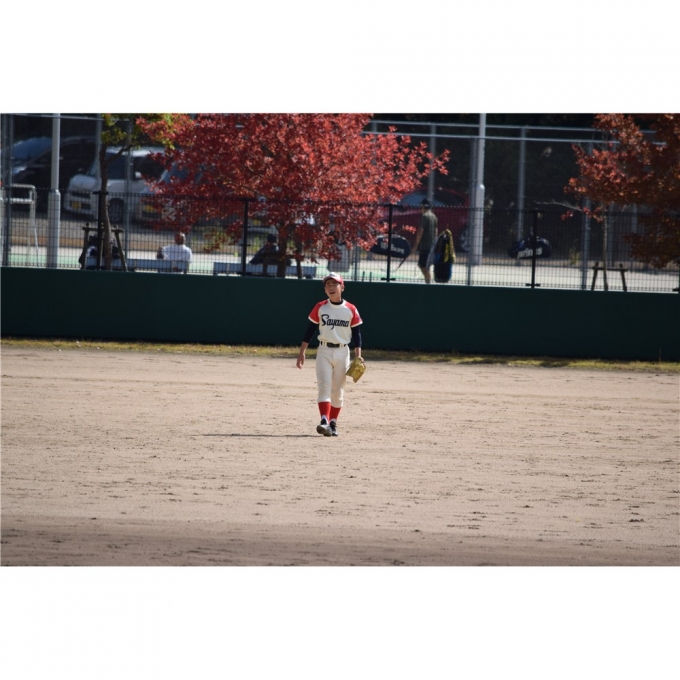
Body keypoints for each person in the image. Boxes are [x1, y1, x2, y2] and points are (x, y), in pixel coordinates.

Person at [296, 272, 363, 437]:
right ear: (325, 289)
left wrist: (358, 356)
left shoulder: (350, 309)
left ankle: (333, 423)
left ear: (342, 287)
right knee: (323, 386)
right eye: (328, 285)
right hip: (324, 351)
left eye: (335, 284)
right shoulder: (321, 307)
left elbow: (357, 334)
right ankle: (324, 420)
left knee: (338, 391)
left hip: (343, 352)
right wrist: (302, 352)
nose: (331, 287)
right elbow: (310, 330)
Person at [413, 198, 438, 283]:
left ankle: (428, 282)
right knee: (426, 265)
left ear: (424, 206)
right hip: (431, 245)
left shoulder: (424, 216)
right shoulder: (434, 216)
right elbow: (436, 231)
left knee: (423, 265)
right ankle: (427, 281)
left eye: (422, 206)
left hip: (425, 246)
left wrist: (416, 245)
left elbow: (420, 231)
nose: (421, 207)